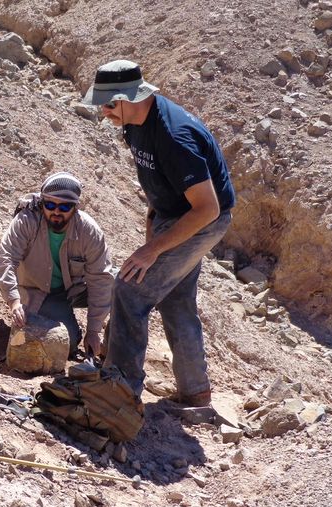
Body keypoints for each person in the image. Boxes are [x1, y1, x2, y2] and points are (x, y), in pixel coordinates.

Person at [82, 60, 236, 407]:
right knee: (176, 301)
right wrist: (153, 233)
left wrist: (153, 251)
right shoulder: (135, 122)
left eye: (108, 104)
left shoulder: (175, 135)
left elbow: (208, 209)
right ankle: (195, 394)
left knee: (129, 289)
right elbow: (155, 182)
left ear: (128, 98)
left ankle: (120, 391)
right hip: (174, 216)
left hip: (201, 221)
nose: (104, 112)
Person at [0, 172, 114, 358]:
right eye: (50, 205)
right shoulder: (27, 221)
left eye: (65, 207)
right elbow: (4, 258)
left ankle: (113, 354)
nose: (56, 212)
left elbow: (101, 279)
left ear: (75, 208)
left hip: (75, 288)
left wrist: (94, 331)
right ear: (42, 203)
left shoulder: (89, 231)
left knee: (125, 286)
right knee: (68, 343)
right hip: (40, 291)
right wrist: (14, 302)